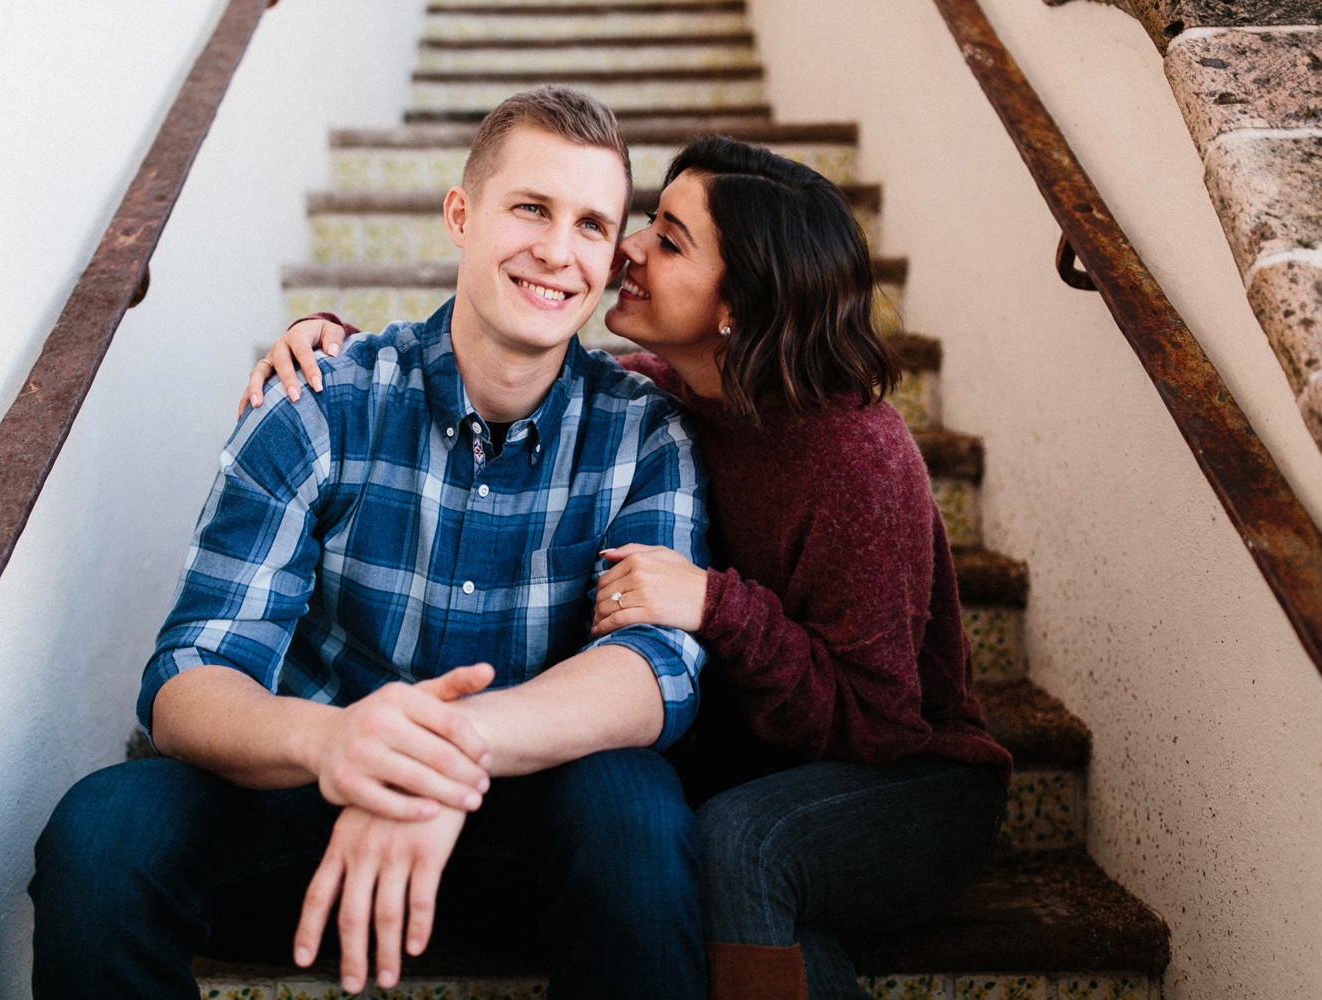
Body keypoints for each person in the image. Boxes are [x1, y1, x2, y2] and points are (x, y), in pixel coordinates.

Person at [258, 135, 1013, 1000]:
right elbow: (500, 356)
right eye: (651, 221)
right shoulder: (664, 391)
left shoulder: (855, 456)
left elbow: (878, 723)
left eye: (671, 239)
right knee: (643, 819)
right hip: (756, 759)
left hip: (908, 788)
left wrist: (718, 606)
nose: (627, 249)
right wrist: (334, 347)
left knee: (740, 844)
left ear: (741, 301)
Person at [29, 86, 711, 1000]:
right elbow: (190, 678)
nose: (558, 250)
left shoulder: (644, 434)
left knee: (636, 811)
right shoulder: (319, 401)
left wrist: (441, 751)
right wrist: (338, 742)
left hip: (532, 830)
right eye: (530, 208)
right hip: (317, 813)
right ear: (460, 217)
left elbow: (654, 669)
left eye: (592, 224)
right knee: (100, 836)